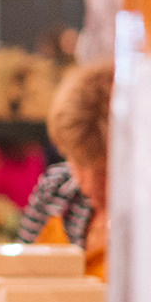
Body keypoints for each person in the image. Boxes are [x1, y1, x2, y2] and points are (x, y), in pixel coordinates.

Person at [16, 59, 114, 278]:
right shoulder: (54, 189)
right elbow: (17, 278)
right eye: (78, 164)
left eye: (104, 172)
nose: (87, 185)